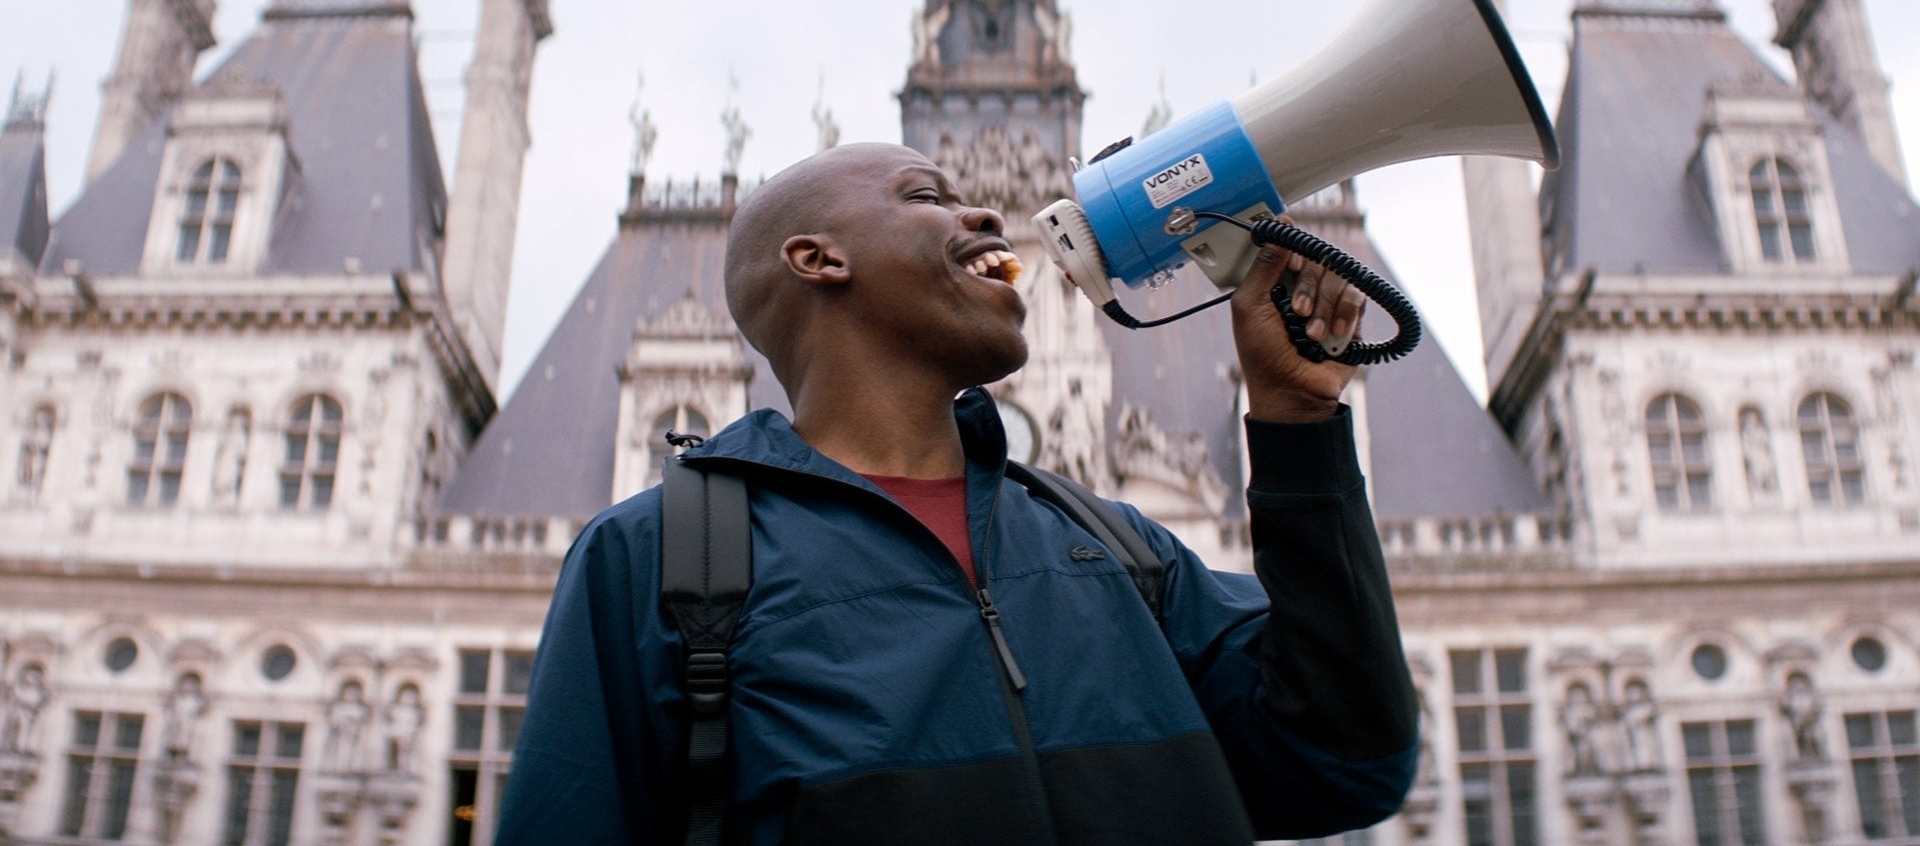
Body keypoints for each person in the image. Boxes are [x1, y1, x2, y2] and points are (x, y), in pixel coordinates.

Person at [499, 143, 1418, 844]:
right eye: (928, 197)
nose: (986, 214)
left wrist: (1298, 427)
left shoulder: (1115, 545)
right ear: (818, 259)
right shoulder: (664, 560)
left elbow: (1349, 761)